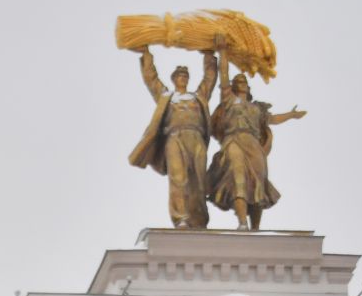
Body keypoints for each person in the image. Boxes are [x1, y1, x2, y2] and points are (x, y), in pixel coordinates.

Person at [128, 45, 218, 228]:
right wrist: (146, 54)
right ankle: (181, 218)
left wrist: (209, 55)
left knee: (199, 180)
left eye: (185, 76)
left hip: (196, 137)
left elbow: (209, 79)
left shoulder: (198, 96)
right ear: (174, 79)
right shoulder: (166, 96)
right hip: (174, 138)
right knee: (178, 178)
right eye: (179, 76)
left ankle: (199, 219)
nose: (183, 78)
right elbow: (151, 79)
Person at [208, 74, 307, 230]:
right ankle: (242, 222)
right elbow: (224, 73)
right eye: (237, 82)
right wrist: (224, 51)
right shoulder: (229, 101)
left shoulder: (256, 108)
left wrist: (292, 115)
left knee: (257, 184)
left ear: (248, 88)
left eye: (244, 82)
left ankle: (255, 228)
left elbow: (272, 119)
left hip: (254, 145)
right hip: (233, 140)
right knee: (238, 176)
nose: (241, 84)